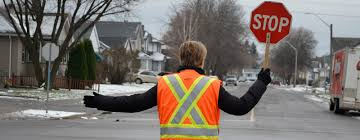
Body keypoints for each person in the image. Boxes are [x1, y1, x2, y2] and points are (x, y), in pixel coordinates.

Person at [84, 41, 271, 140]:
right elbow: (240, 107)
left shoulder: (166, 83)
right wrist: (260, 82)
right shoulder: (212, 85)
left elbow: (134, 103)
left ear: (181, 59)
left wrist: (101, 101)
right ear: (202, 60)